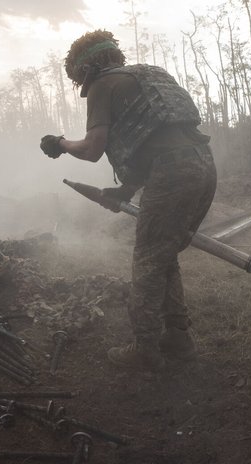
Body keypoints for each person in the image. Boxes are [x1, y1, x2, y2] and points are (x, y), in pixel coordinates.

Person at [39, 30, 217, 371]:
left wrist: (60, 143)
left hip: (172, 172)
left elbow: (92, 149)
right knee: (163, 253)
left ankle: (146, 350)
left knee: (148, 259)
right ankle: (178, 338)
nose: (81, 84)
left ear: (86, 68)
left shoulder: (103, 85)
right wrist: (125, 190)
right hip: (204, 165)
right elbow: (158, 139)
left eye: (78, 77)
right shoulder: (150, 75)